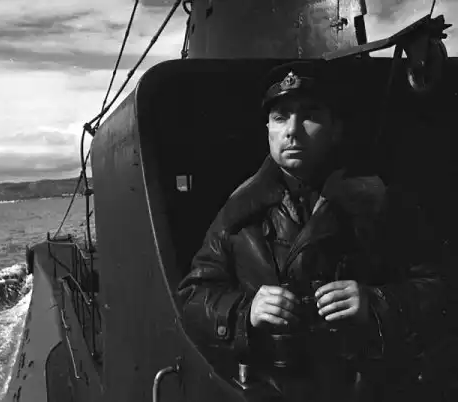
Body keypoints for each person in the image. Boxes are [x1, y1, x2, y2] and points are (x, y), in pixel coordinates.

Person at [177, 61, 446, 402]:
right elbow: (192, 296)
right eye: (280, 117)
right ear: (268, 129)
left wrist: (374, 303)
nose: (292, 130)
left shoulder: (382, 203)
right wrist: (247, 311)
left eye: (309, 115)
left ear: (335, 129)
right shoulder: (238, 212)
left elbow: (439, 287)